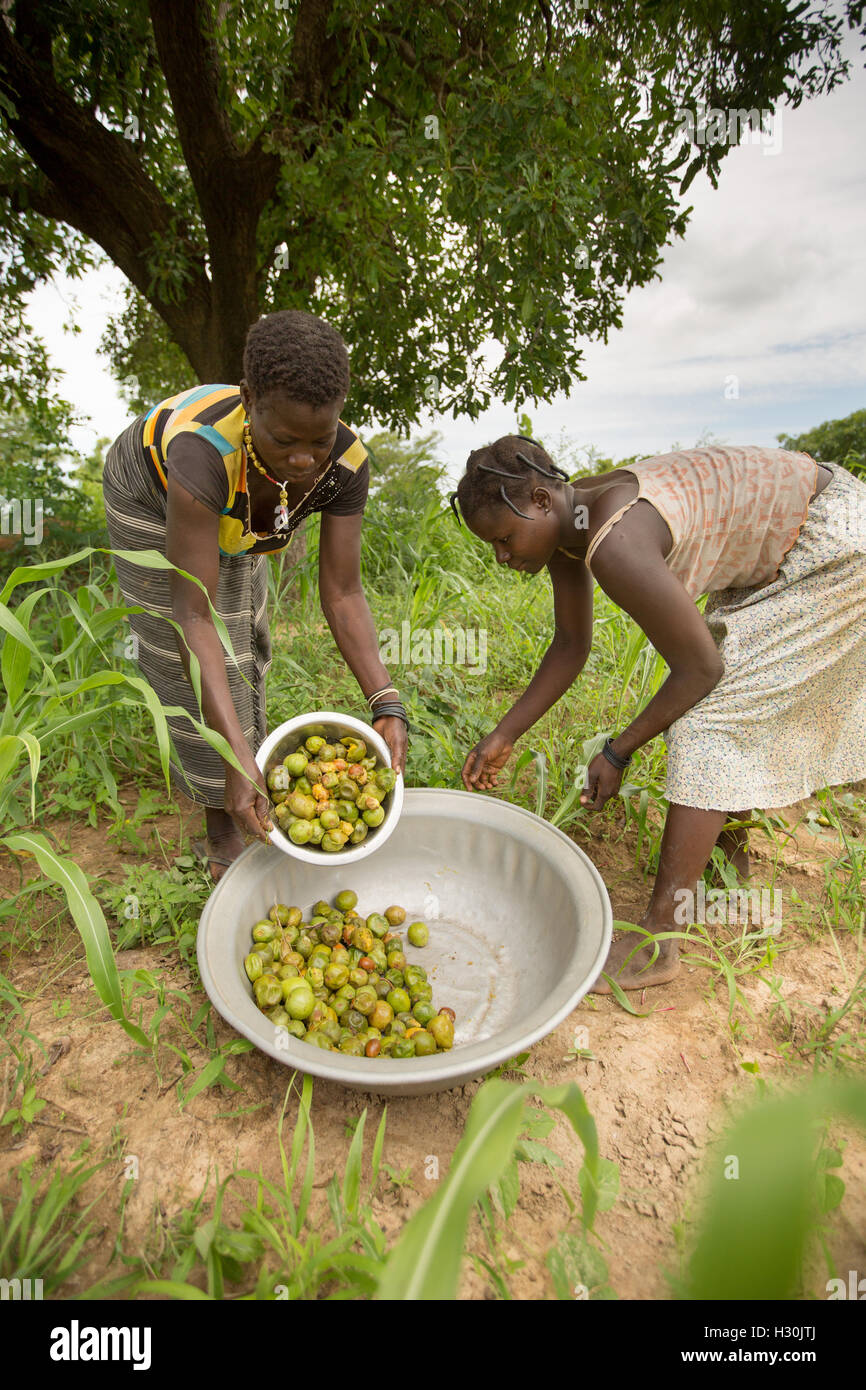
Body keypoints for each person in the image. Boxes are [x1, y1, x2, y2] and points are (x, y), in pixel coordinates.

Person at [452, 436, 866, 991]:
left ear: (541, 501)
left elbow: (699, 670)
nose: (503, 557)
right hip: (797, 533)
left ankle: (657, 941)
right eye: (494, 548)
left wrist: (618, 751)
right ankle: (727, 876)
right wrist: (503, 734)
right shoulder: (572, 524)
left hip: (832, 543)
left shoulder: (612, 538)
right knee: (726, 711)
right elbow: (572, 644)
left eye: (504, 538)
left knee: (710, 723)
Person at [102, 310, 408, 880]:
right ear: (250, 401)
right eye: (285, 440)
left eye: (318, 440)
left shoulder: (344, 465)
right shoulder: (203, 451)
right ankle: (221, 825)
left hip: (239, 496)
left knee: (245, 644)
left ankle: (250, 763)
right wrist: (234, 758)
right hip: (154, 490)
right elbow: (193, 613)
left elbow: (342, 593)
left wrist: (385, 700)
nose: (302, 460)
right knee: (181, 650)